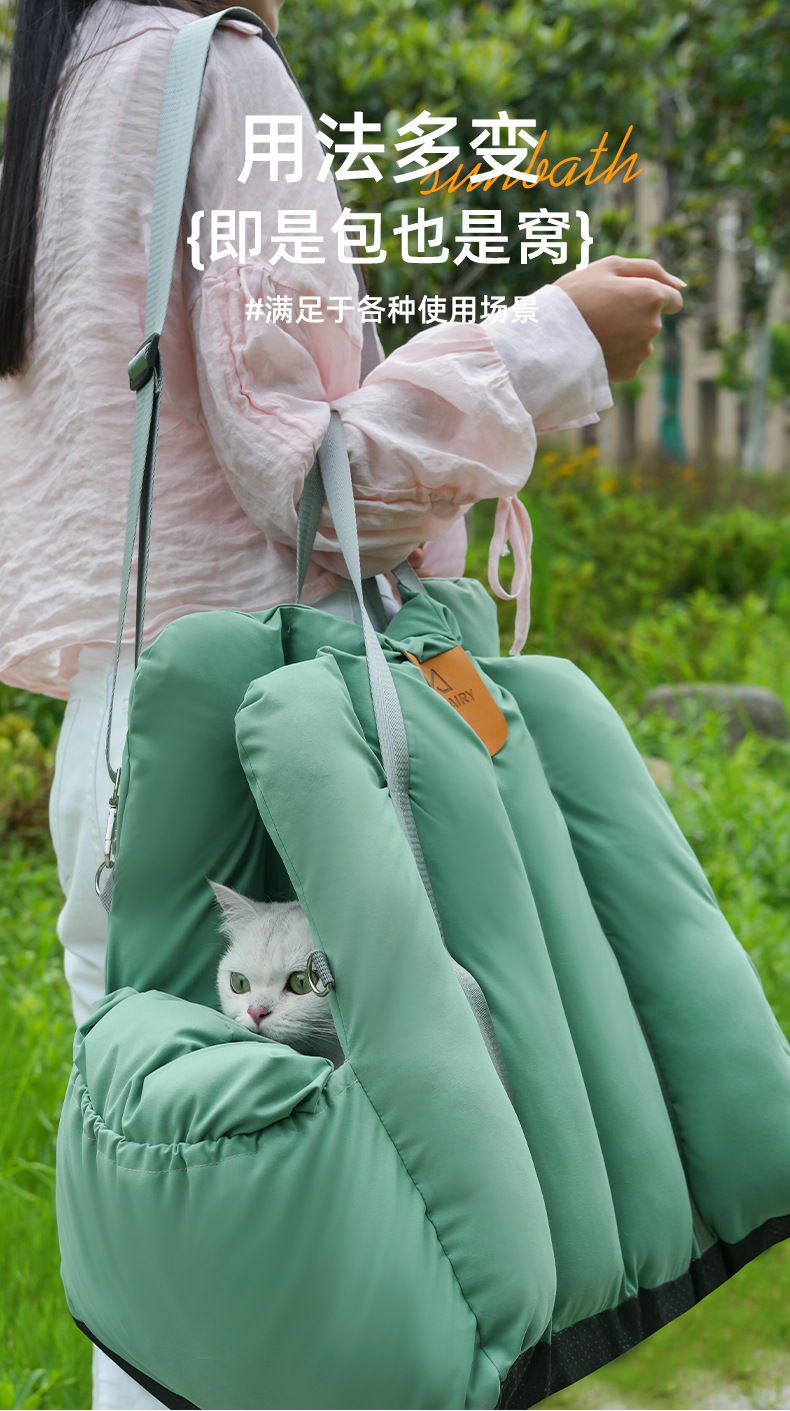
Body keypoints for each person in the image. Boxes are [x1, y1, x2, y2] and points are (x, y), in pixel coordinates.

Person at [0, 0, 683, 1404]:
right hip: (282, 731)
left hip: (122, 734)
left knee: (174, 1212)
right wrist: (551, 345)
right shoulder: (218, 73)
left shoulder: (56, 99)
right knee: (361, 1234)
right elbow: (313, 480)